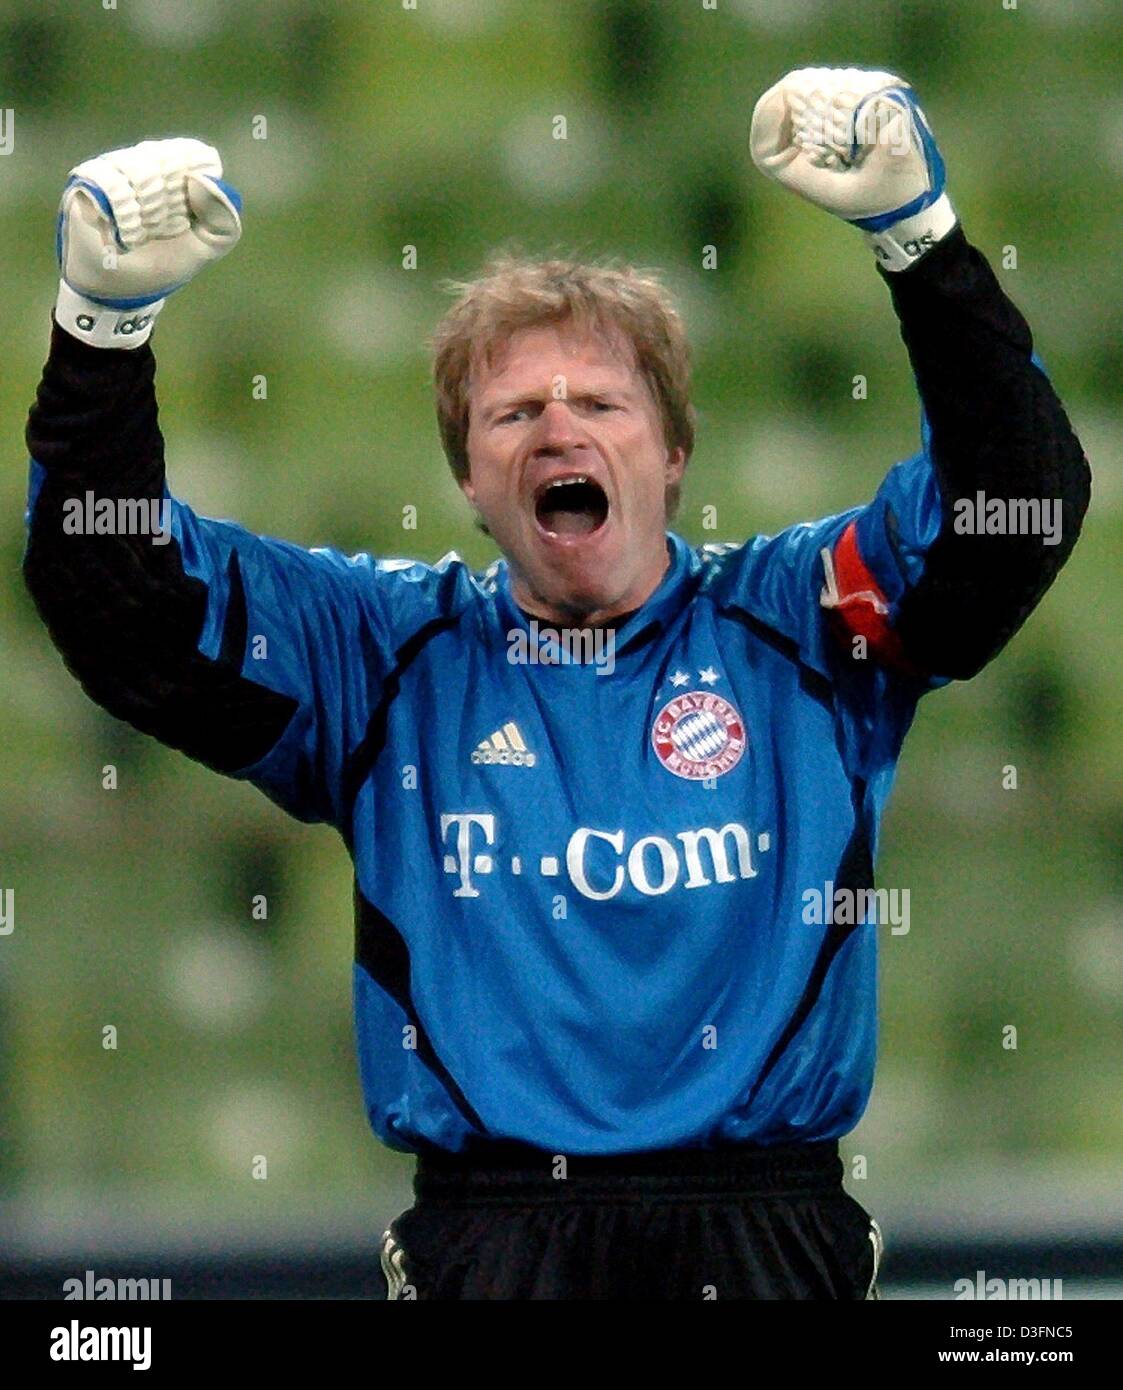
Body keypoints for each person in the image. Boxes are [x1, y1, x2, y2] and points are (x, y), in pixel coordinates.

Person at [23, 68, 1090, 1299]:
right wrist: (100, 334)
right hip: (495, 1239)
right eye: (513, 411)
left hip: (761, 1233)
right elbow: (122, 605)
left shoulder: (809, 615)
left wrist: (923, 245)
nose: (556, 429)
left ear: (676, 453)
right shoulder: (382, 655)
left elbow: (1009, 514)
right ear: (472, 484)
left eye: (601, 402)